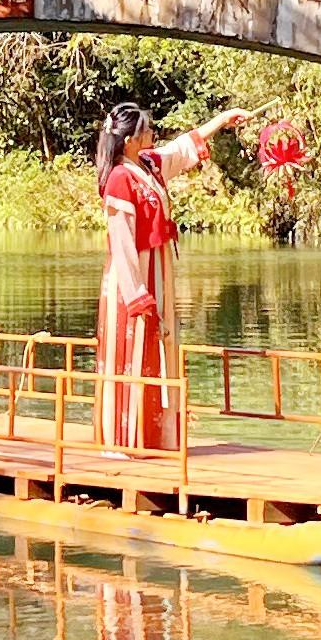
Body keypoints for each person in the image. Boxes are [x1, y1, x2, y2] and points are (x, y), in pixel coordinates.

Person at [94, 98, 251, 448]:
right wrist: (135, 294)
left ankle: (158, 437)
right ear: (130, 140)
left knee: (161, 347)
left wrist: (222, 120)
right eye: (146, 129)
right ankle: (126, 439)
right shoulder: (120, 179)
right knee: (132, 352)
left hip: (159, 270)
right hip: (132, 279)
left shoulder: (148, 165)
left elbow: (182, 149)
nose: (152, 132)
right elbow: (121, 242)